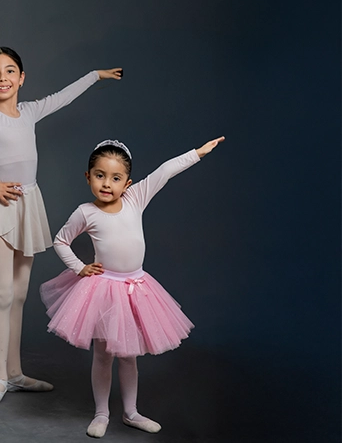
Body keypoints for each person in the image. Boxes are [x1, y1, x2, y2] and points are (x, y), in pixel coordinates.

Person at [0, 46, 122, 405]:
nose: (2, 78)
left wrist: (95, 75)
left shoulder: (31, 111)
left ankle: (16, 373)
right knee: (2, 294)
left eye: (9, 71)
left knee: (19, 296)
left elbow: (62, 98)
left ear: (22, 78)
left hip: (28, 205)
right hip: (0, 207)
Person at [40, 137, 224, 437]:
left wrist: (197, 153)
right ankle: (101, 414)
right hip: (102, 290)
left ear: (128, 183)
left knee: (128, 355)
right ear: (88, 177)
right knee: (103, 355)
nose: (107, 184)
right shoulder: (85, 212)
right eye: (99, 175)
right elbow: (60, 240)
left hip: (136, 288)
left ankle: (131, 412)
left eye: (115, 178)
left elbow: (164, 171)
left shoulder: (136, 198)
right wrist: (79, 267)